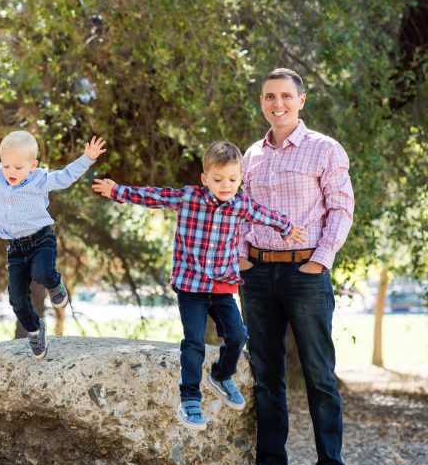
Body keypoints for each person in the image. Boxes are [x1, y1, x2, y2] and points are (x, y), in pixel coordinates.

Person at [92, 141, 306, 430]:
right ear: (205, 179)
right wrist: (117, 191)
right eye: (218, 180)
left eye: (232, 179)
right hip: (191, 286)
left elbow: (264, 214)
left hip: (221, 285)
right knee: (194, 341)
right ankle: (190, 399)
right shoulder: (188, 198)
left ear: (240, 178)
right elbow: (154, 196)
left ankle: (220, 375)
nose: (226, 185)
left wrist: (288, 228)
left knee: (238, 336)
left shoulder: (241, 204)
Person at [227, 68, 355, 465]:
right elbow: (240, 209)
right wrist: (242, 255)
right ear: (261, 101)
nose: (276, 104)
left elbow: (340, 209)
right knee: (266, 373)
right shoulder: (251, 155)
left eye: (285, 96)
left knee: (319, 374)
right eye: (268, 96)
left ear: (301, 100)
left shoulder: (325, 149)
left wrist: (320, 261)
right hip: (258, 275)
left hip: (306, 273)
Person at [0, 117, 106, 359]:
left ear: (32, 165)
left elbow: (66, 176)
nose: (10, 172)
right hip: (15, 249)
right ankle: (35, 330)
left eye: (18, 168)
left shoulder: (39, 180)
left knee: (42, 274)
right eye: (6, 166)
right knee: (16, 299)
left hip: (40, 240)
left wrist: (87, 158)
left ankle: (56, 285)